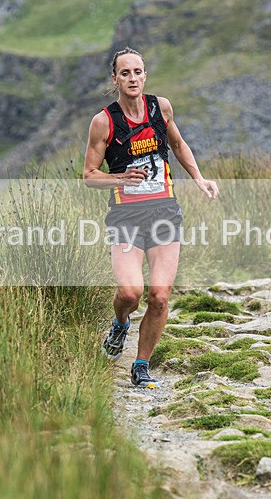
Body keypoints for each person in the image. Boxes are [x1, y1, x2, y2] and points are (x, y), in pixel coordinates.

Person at [83, 47, 219, 388]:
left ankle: (141, 365)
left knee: (159, 295)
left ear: (145, 75)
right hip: (126, 216)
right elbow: (88, 174)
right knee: (130, 293)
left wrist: (199, 178)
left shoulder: (162, 107)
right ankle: (120, 324)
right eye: (125, 73)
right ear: (114, 79)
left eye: (138, 72)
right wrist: (119, 179)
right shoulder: (104, 121)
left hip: (164, 212)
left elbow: (178, 144)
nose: (133, 78)